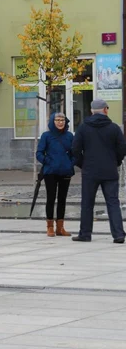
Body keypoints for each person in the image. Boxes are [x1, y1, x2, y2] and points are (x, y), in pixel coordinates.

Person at [71, 99, 126, 244]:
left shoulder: (83, 127)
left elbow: (75, 150)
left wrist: (83, 164)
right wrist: (116, 162)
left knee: (87, 203)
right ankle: (118, 235)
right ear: (106, 110)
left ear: (91, 111)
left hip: (90, 171)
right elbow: (122, 148)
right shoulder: (114, 128)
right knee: (113, 202)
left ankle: (85, 234)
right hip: (109, 171)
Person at [36, 112, 75, 237]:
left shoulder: (69, 136)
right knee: (51, 198)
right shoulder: (46, 136)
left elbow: (75, 153)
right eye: (57, 120)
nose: (60, 122)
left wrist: (70, 163)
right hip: (50, 172)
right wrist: (48, 162)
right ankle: (50, 227)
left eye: (62, 120)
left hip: (65, 171)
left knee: (62, 199)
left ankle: (60, 227)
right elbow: (39, 153)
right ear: (53, 121)